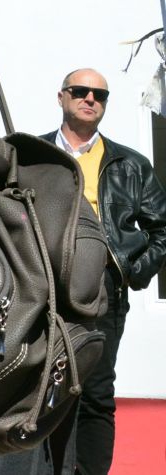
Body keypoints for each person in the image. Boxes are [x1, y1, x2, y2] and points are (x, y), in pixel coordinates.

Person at [43, 69, 166, 475]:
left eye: (100, 94)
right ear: (62, 97)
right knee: (40, 388)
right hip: (42, 288)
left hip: (102, 290)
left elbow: (162, 228)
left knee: (95, 392)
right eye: (81, 91)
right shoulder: (33, 156)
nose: (90, 99)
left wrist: (132, 271)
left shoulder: (130, 164)